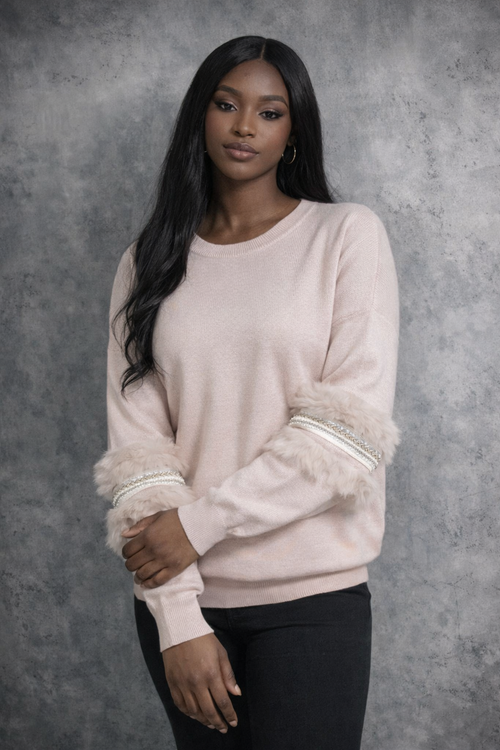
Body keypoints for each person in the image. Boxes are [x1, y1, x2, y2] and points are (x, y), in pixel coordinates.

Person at [93, 35, 400, 750]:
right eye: (226, 104)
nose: (243, 127)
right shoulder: (148, 261)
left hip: (312, 604)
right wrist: (177, 619)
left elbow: (346, 439)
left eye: (270, 112)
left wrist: (200, 525)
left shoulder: (344, 236)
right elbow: (137, 454)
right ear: (200, 116)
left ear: (294, 131)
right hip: (185, 605)